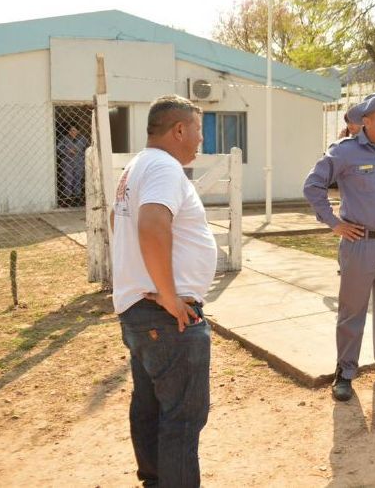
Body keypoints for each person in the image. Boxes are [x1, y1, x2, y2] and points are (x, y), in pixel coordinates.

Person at [111, 94, 217, 488]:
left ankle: (154, 481)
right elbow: (152, 224)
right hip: (166, 315)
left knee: (150, 406)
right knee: (182, 418)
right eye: (198, 130)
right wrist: (171, 296)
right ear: (179, 130)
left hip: (141, 311)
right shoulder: (165, 169)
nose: (200, 140)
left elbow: (115, 221)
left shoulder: (136, 167)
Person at [303, 92, 375, 401]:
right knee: (352, 312)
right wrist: (333, 222)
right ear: (365, 122)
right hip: (360, 244)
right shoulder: (345, 152)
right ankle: (345, 372)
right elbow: (313, 185)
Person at [57, 125, 89, 206]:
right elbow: (58, 149)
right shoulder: (64, 139)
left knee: (78, 180)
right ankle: (67, 199)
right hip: (67, 162)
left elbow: (88, 149)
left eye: (74, 130)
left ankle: (77, 199)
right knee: (68, 180)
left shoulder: (83, 139)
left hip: (79, 162)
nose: (72, 132)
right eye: (71, 130)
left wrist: (83, 157)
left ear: (78, 131)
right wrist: (67, 151)